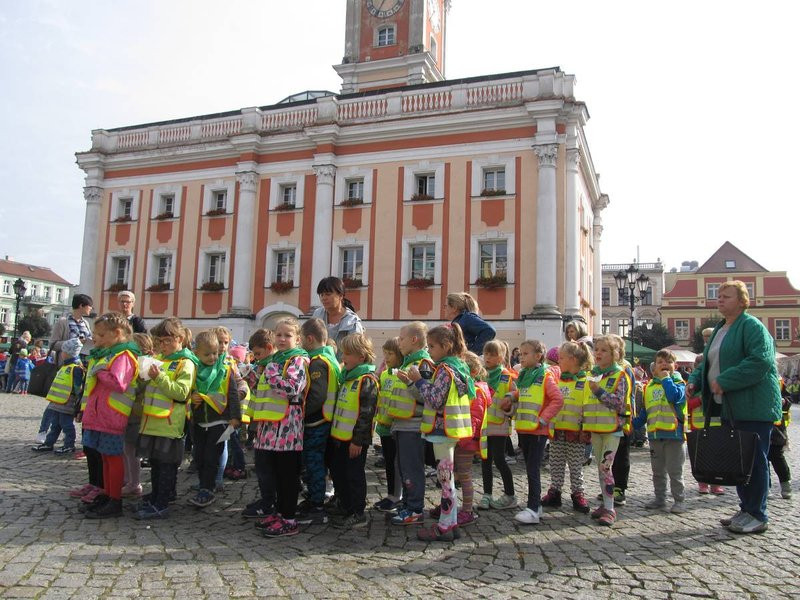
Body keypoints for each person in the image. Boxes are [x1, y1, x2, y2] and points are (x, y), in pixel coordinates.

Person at [688, 281, 782, 534]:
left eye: (726, 296)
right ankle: (746, 508)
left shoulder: (752, 326)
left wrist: (725, 381)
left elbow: (760, 361)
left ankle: (758, 513)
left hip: (753, 406)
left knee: (754, 461)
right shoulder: (721, 328)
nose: (719, 299)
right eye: (718, 296)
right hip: (730, 407)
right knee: (739, 461)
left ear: (742, 301)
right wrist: (694, 381)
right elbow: (706, 363)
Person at [398, 323, 473, 542]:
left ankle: (444, 526)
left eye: (431, 346)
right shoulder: (460, 367)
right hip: (451, 430)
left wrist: (418, 381)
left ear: (446, 345)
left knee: (445, 480)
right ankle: (452, 522)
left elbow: (435, 399)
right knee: (448, 479)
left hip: (442, 430)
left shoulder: (445, 370)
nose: (428, 351)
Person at [250, 318, 309, 538]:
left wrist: (272, 372)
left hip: (288, 427)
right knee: (272, 472)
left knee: (287, 475)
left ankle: (289, 518)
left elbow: (292, 388)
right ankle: (278, 512)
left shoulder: (298, 360)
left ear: (297, 339)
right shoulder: (273, 360)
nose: (282, 339)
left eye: (287, 335)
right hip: (268, 426)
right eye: (279, 335)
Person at [78, 312, 140, 519]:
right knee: (105, 457)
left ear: (118, 333)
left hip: (113, 416)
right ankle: (106, 494)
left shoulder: (123, 356)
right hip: (100, 415)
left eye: (102, 335)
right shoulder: (108, 354)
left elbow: (119, 383)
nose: (97, 338)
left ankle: (115, 501)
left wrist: (99, 372)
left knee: (113, 459)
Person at [135, 318, 196, 520]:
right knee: (155, 463)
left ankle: (161, 504)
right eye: (160, 341)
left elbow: (181, 393)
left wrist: (159, 377)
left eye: (167, 340)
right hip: (152, 421)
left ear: (179, 339)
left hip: (170, 424)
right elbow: (149, 389)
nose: (163, 345)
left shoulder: (185, 363)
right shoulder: (161, 360)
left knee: (166, 465)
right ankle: (159, 495)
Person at [325, 333, 379, 530]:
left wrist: (358, 441)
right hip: (340, 437)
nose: (342, 358)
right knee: (339, 473)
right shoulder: (348, 377)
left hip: (355, 441)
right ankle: (344, 505)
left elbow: (366, 415)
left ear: (361, 357)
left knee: (354, 476)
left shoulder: (367, 380)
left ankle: (357, 512)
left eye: (347, 354)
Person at [509, 340, 564, 525]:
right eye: (520, 353)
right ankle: (536, 507)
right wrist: (513, 396)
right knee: (529, 467)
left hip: (537, 430)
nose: (520, 357)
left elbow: (557, 399)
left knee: (533, 469)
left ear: (538, 356)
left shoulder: (544, 375)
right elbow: (526, 393)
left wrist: (543, 419)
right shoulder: (524, 374)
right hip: (524, 428)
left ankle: (533, 508)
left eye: (525, 354)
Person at [188, 331, 241, 508]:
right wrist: (192, 397)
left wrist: (235, 418)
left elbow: (232, 394)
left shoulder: (225, 370)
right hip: (199, 422)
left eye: (215, 353)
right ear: (197, 354)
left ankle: (207, 489)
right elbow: (186, 392)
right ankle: (203, 484)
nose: (212, 357)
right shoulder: (193, 370)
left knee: (212, 457)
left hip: (219, 421)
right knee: (199, 457)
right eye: (207, 354)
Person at [389, 322, 434, 527]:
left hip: (413, 425)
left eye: (402, 338)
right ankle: (407, 503)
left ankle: (415, 508)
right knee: (403, 468)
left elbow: (427, 396)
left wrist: (410, 382)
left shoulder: (423, 364)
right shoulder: (408, 362)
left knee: (412, 469)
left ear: (414, 340)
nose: (399, 342)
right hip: (401, 424)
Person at [584, 334, 631, 527]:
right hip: (595, 428)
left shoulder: (620, 374)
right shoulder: (593, 374)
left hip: (612, 429)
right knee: (600, 468)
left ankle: (610, 509)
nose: (598, 353)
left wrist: (599, 392)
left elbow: (620, 403)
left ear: (615, 354)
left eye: (604, 350)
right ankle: (605, 503)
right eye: (597, 350)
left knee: (606, 467)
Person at [632, 349, 687, 513]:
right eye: (660, 362)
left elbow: (674, 397)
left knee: (675, 471)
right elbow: (645, 412)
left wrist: (666, 380)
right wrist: (632, 425)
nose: (664, 364)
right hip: (655, 435)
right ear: (653, 368)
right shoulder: (649, 387)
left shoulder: (678, 383)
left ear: (675, 366)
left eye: (668, 362)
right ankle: (660, 498)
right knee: (658, 471)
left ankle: (679, 500)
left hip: (674, 435)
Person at [541, 341, 593, 514]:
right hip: (557, 429)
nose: (559, 361)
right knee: (555, 463)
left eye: (561, 358)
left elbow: (587, 407)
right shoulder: (558, 380)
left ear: (572, 359)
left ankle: (578, 494)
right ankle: (554, 492)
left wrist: (586, 428)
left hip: (575, 431)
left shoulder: (586, 381)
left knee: (575, 465)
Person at [297, 318, 340, 524]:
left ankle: (316, 504)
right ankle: (315, 499)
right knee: (318, 463)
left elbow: (317, 395)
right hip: (326, 419)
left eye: (301, 339)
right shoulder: (330, 357)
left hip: (317, 421)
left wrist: (301, 413)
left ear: (310, 339)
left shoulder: (318, 362)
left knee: (314, 464)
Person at [240, 329, 277, 520]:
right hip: (262, 423)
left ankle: (269, 502)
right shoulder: (263, 365)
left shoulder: (273, 366)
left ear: (269, 348)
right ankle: (266, 499)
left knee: (266, 467)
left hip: (272, 424)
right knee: (262, 465)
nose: (256, 358)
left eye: (258, 354)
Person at [478, 340, 517, 511]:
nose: (487, 357)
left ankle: (510, 494)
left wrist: (509, 407)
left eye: (492, 355)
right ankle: (487, 495)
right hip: (484, 426)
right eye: (486, 354)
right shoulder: (481, 375)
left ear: (500, 357)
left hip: (500, 426)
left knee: (500, 460)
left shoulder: (508, 376)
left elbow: (516, 401)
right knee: (485, 461)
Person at [32, 338, 85, 454]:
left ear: (69, 353)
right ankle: (49, 443)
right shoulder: (65, 366)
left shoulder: (76, 368)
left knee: (66, 425)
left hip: (68, 402)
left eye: (63, 352)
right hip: (58, 402)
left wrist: (77, 403)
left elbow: (78, 388)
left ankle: (69, 445)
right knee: (55, 425)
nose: (61, 354)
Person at [455, 351, 489, 526]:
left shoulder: (475, 392)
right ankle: (450, 505)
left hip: (467, 441)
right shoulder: (468, 388)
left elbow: (473, 419)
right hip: (459, 437)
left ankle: (468, 510)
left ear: (473, 372)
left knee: (464, 475)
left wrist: (462, 438)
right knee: (453, 474)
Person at [373, 337, 403, 513]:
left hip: (395, 426)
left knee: (396, 463)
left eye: (390, 354)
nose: (386, 357)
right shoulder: (385, 374)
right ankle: (391, 494)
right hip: (383, 426)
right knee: (389, 463)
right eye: (385, 354)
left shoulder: (401, 374)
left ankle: (397, 496)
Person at [121, 333, 153, 497]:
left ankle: (134, 482)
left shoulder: (145, 366)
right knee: (126, 448)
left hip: (136, 412)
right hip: (130, 411)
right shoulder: (138, 363)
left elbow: (140, 388)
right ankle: (127, 479)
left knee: (131, 450)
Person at [312, 277, 364, 352]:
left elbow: (356, 353)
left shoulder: (352, 321)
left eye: (328, 294)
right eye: (321, 295)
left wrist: (337, 364)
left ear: (340, 295)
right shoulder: (317, 315)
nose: (324, 298)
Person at [50, 294, 94, 365]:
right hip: (67, 365)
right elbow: (53, 344)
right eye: (90, 306)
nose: (91, 308)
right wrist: (75, 342)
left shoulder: (86, 323)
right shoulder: (63, 322)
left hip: (84, 364)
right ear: (81, 305)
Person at [768, 393, 792, 499]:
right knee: (762, 460)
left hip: (777, 429)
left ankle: (786, 486)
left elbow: (789, 400)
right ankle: (765, 487)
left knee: (778, 458)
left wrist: (785, 401)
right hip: (759, 424)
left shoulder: (779, 381)